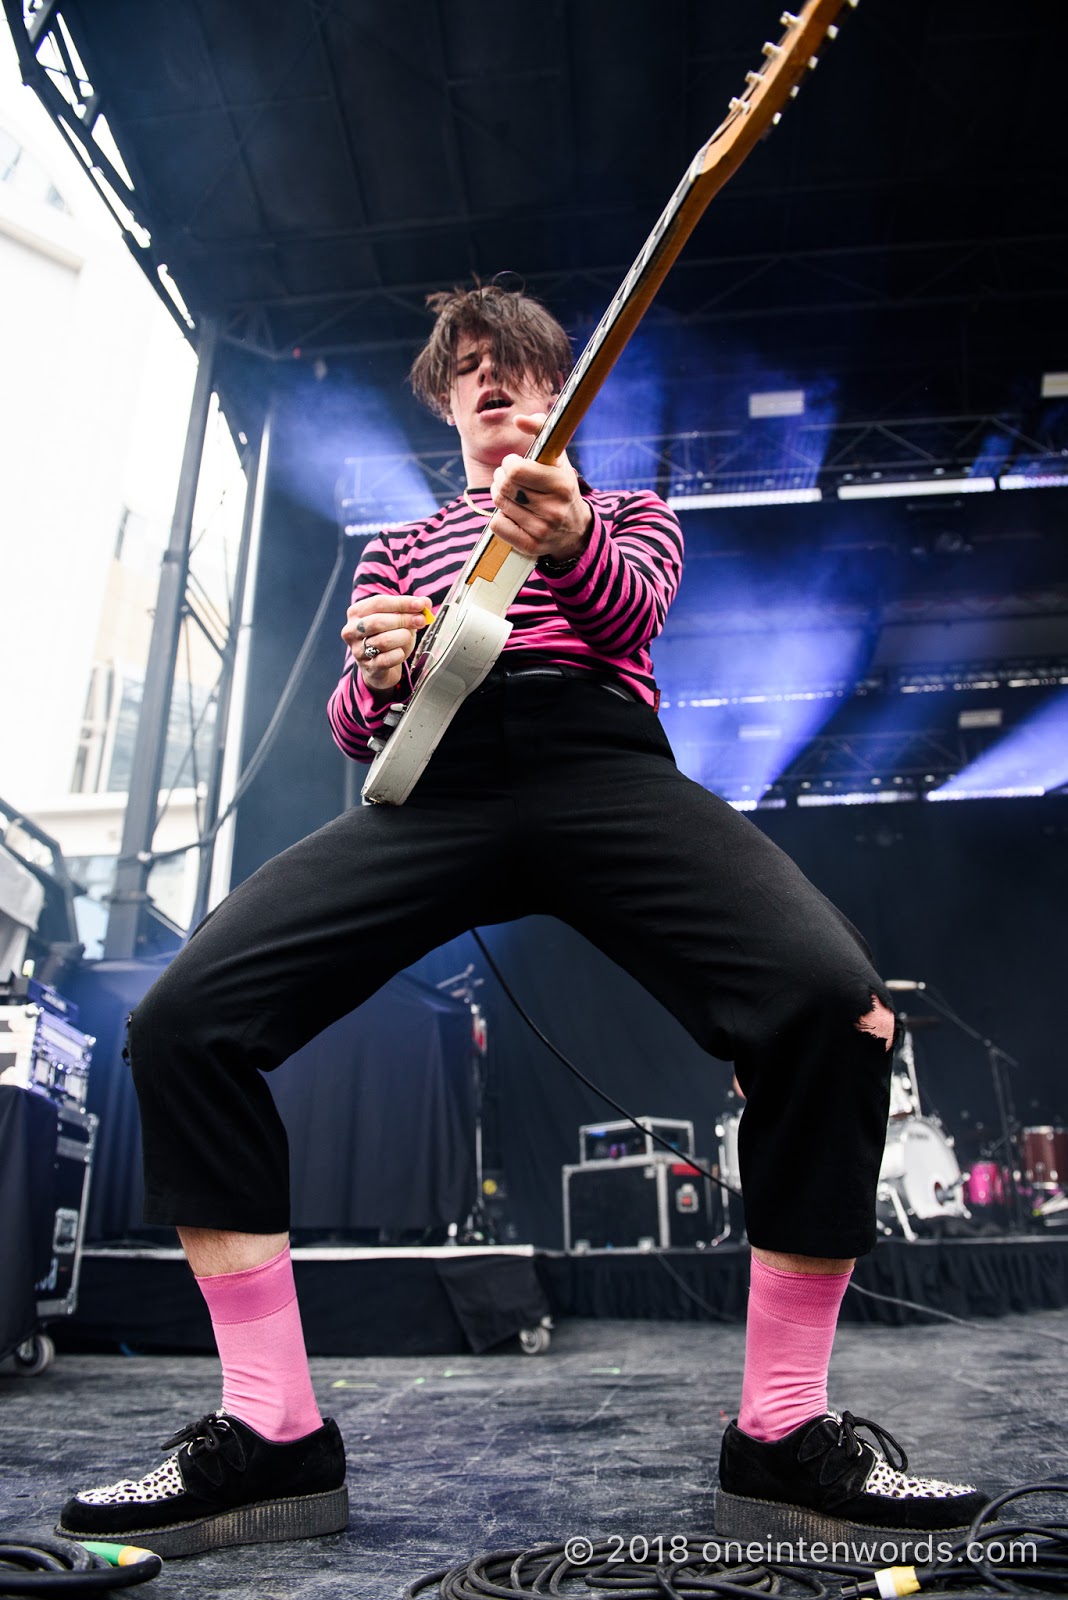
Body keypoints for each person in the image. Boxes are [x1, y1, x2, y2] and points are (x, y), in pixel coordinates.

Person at [57, 284, 985, 1558]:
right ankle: (270, 1432)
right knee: (180, 1023)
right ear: (446, 402)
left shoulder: (623, 508)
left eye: (519, 367)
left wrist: (569, 538)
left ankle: (783, 1434)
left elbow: (630, 611)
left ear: (559, 390)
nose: (494, 382)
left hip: (600, 765)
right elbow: (357, 723)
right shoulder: (400, 544)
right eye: (471, 370)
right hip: (438, 786)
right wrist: (373, 677)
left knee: (832, 1006)